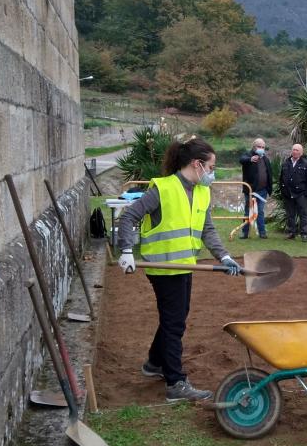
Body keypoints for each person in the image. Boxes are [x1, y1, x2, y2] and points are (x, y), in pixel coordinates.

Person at [116, 135, 242, 402]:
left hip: (185, 266)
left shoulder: (201, 191)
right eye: (211, 167)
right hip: (163, 268)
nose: (212, 173)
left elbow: (207, 230)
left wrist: (225, 257)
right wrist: (126, 250)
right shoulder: (162, 189)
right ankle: (175, 383)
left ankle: (154, 364)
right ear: (197, 164)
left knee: (175, 317)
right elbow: (129, 216)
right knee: (175, 324)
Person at [279, 143, 307, 242]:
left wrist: (306, 193)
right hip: (288, 193)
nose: (295, 151)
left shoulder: (306, 164)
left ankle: (304, 234)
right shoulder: (286, 163)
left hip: (301, 194)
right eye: (293, 149)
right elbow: (281, 178)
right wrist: (283, 191)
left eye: (297, 150)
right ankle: (291, 233)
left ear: (301, 152)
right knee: (290, 214)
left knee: (303, 214)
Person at [239, 138, 273, 239]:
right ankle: (244, 233)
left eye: (263, 147)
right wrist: (250, 159)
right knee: (247, 211)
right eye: (259, 146)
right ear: (254, 147)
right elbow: (241, 160)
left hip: (262, 190)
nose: (261, 149)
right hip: (250, 190)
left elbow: (269, 173)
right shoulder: (248, 155)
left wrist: (268, 188)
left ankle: (262, 233)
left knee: (261, 211)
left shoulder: (265, 159)